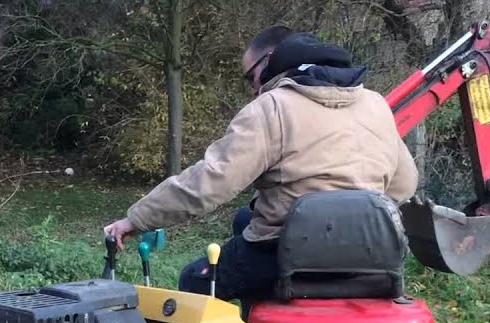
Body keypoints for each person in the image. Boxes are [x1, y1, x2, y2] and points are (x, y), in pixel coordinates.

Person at [101, 26, 418, 300]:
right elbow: (405, 184)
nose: (254, 89)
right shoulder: (376, 105)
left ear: (269, 63)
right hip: (369, 253)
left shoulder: (272, 108)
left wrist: (136, 219)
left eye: (250, 77)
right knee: (244, 219)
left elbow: (209, 184)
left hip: (291, 254)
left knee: (194, 279)